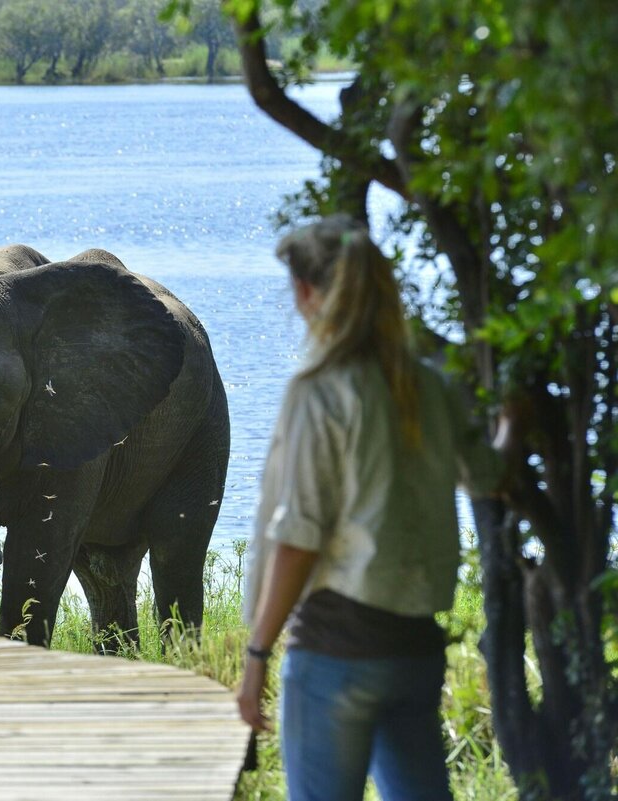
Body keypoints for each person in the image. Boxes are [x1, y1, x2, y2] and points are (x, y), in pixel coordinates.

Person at [238, 214, 510, 800]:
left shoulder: (320, 391)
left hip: (336, 653)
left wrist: (258, 651)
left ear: (309, 294)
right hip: (413, 652)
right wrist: (513, 423)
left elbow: (299, 537)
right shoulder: (428, 385)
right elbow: (490, 475)